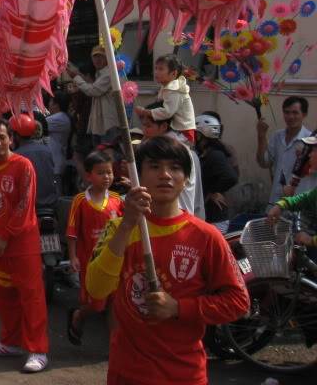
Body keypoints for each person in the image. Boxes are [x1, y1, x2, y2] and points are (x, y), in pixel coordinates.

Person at [86, 135, 250, 385]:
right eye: (154, 166)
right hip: (127, 372)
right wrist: (127, 224)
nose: (165, 175)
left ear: (186, 180)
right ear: (136, 176)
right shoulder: (118, 229)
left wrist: (178, 308)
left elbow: (238, 302)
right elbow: (96, 289)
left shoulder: (206, 237)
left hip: (183, 373)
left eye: (174, 168)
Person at [0, 118, 49, 374]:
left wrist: (6, 236)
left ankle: (38, 349)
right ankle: (11, 342)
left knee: (31, 296)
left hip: (21, 243)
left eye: (1, 137)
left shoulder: (23, 165)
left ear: (11, 139)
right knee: (2, 294)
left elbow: (25, 204)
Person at [64, 149, 122, 345]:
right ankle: (79, 315)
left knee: (114, 301)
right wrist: (73, 257)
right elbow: (72, 232)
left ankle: (116, 345)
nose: (106, 177)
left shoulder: (117, 200)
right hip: (90, 261)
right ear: (89, 175)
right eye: (101, 172)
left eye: (109, 172)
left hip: (113, 260)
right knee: (96, 304)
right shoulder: (80, 201)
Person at [139, 103, 205, 218]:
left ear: (164, 126)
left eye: (148, 126)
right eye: (155, 167)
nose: (165, 175)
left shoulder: (180, 151)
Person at [256, 96, 313, 203]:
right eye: (287, 112)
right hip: (276, 200)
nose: (290, 116)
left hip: (297, 203)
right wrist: (261, 136)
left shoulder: (311, 141)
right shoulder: (277, 136)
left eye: (295, 113)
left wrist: (306, 161)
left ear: (304, 115)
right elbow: (263, 163)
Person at [66, 46, 121, 143]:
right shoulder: (99, 74)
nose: (97, 60)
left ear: (107, 58)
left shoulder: (109, 73)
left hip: (108, 125)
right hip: (99, 125)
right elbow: (92, 86)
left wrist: (76, 77)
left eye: (100, 56)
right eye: (95, 57)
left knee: (107, 155)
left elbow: (93, 91)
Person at [194, 112, 239, 222]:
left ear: (201, 135)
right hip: (206, 214)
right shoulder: (203, 153)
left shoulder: (215, 154)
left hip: (215, 216)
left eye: (195, 134)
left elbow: (231, 177)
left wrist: (211, 192)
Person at [134, 55, 195, 137]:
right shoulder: (166, 87)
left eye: (161, 69)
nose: (156, 72)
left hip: (183, 132)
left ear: (173, 73)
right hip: (174, 130)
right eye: (156, 68)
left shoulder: (174, 89)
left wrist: (145, 112)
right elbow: (158, 105)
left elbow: (167, 112)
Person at [12, 112, 59, 212]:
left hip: (29, 207)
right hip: (51, 204)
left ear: (16, 136)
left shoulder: (16, 156)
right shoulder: (46, 150)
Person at [45, 93, 72, 182]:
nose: (48, 104)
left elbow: (39, 124)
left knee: (56, 190)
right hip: (55, 160)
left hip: (55, 161)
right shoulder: (61, 117)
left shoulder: (59, 118)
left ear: (56, 104)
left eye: (50, 102)